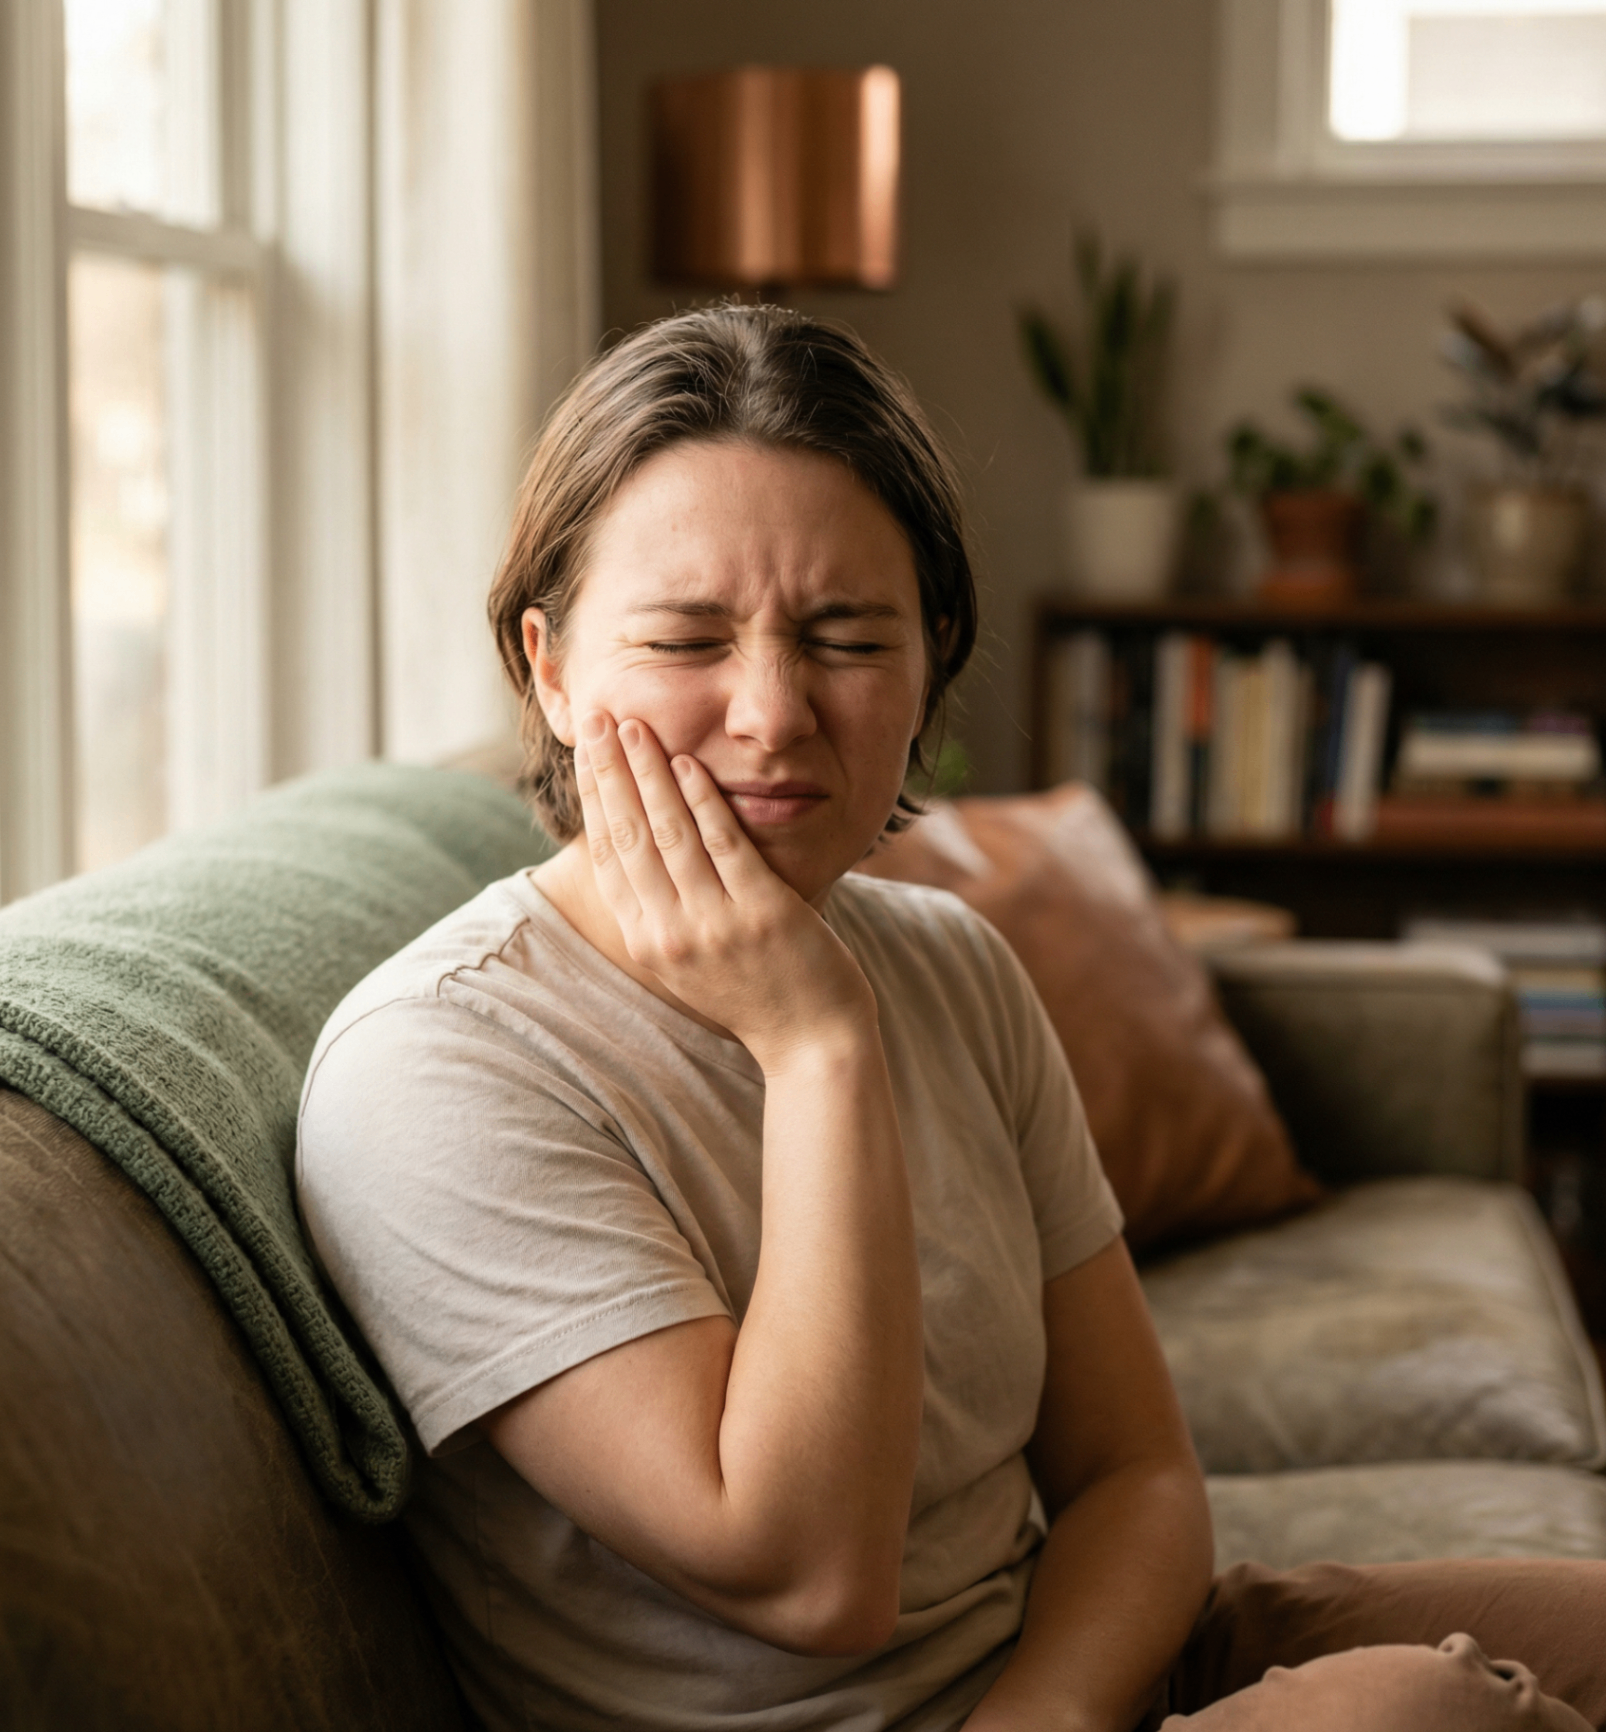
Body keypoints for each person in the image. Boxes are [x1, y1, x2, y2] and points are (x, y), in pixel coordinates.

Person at [295, 304, 1606, 1732]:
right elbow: (807, 1579)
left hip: (1073, 1679)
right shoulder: (436, 1066)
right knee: (1418, 1716)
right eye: (687, 640)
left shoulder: (951, 960)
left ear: (930, 661)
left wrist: (1047, 1715)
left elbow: (1134, 1476)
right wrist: (814, 1044)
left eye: (846, 636)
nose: (774, 712)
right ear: (550, 671)